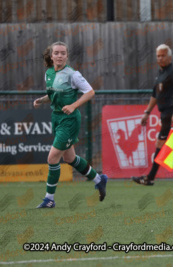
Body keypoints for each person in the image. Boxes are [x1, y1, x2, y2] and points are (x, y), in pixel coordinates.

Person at [34, 41, 108, 208]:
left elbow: (90, 92)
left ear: (67, 56)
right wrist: (41, 100)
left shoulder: (72, 74)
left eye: (63, 53)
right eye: (56, 53)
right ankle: (99, 179)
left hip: (70, 120)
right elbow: (52, 95)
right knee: (69, 158)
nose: (59, 55)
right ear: (51, 56)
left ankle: (49, 199)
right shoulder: (49, 74)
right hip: (57, 118)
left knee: (52, 158)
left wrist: (74, 105)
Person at [131, 44, 173, 186]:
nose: (160, 58)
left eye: (163, 55)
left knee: (160, 144)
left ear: (169, 57)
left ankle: (150, 178)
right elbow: (154, 96)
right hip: (166, 114)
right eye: (158, 56)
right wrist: (147, 112)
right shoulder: (160, 74)